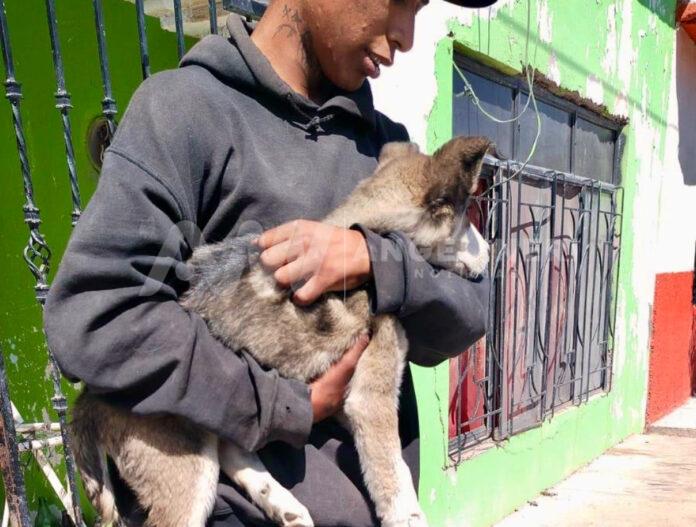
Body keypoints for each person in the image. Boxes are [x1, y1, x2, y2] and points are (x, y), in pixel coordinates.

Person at [44, 0, 495, 525]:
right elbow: (99, 318)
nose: (406, 36)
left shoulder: (386, 147)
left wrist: (370, 258)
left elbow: (468, 311)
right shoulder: (183, 112)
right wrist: (285, 404)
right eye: (400, 1)